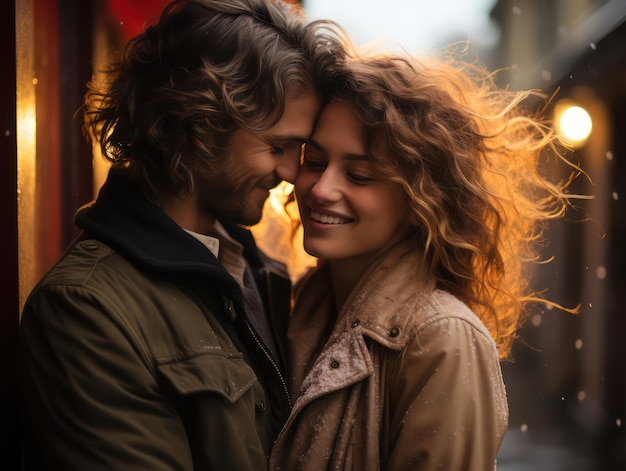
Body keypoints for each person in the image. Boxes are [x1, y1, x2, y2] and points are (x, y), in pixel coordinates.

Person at [17, 0, 347, 469]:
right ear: (199, 124)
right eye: (277, 146)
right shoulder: (84, 308)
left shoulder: (253, 270)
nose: (292, 172)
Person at [269, 52, 580, 470]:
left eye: (359, 175)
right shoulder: (307, 301)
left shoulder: (443, 339)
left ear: (420, 200)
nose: (321, 189)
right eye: (316, 162)